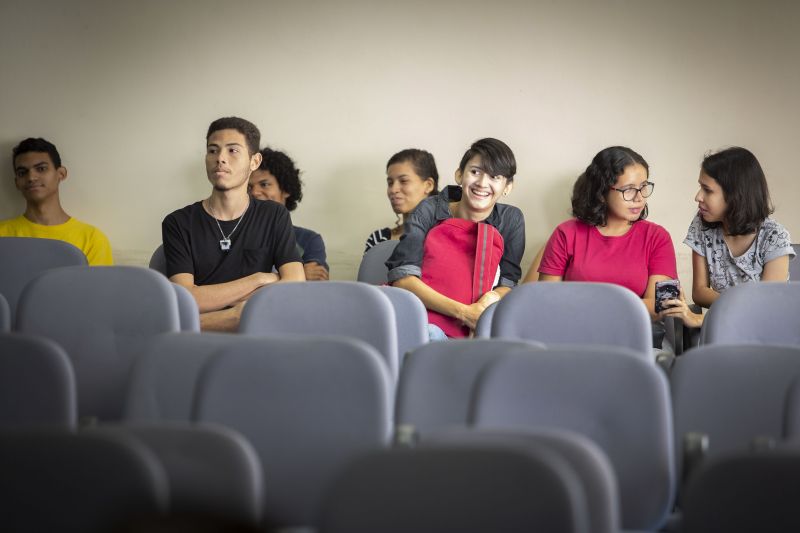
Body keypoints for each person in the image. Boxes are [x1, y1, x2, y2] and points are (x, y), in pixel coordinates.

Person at [162, 117, 305, 332]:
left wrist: (222, 309)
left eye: (232, 151)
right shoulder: (178, 222)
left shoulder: (274, 215)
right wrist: (258, 280)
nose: (220, 158)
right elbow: (187, 298)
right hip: (201, 337)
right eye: (212, 150)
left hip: (246, 332)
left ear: (254, 162)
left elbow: (294, 283)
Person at [387, 138, 525, 339]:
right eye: (475, 172)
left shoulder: (511, 220)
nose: (482, 183)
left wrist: (488, 301)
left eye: (495, 177)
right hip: (421, 320)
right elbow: (402, 278)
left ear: (507, 186)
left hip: (475, 330)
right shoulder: (429, 209)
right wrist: (464, 313)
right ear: (459, 175)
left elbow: (508, 283)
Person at [533, 146, 677, 322]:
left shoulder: (658, 237)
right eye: (629, 189)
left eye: (644, 187)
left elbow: (661, 306)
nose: (639, 198)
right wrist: (632, 305)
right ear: (602, 193)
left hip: (634, 336)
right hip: (571, 332)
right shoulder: (566, 233)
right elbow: (546, 300)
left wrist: (586, 304)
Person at [661, 147, 795, 328]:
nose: (698, 196)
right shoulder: (702, 226)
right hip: (724, 327)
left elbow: (765, 308)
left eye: (707, 190)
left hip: (768, 331)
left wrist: (704, 319)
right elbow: (699, 292)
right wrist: (737, 307)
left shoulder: (775, 237)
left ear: (735, 195)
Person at [0, 137, 113, 265]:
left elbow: (97, 285)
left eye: (41, 169)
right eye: (22, 172)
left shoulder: (91, 239)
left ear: (61, 174)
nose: (31, 177)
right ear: (17, 183)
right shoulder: (2, 234)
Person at [249, 147, 329, 281]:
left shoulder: (308, 240)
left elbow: (315, 279)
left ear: (286, 189)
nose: (254, 192)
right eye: (249, 187)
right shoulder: (233, 236)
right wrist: (296, 275)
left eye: (264, 184)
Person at [364, 148, 438, 251]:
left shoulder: (448, 233)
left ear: (428, 185)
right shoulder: (379, 239)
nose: (393, 190)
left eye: (403, 181)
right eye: (390, 183)